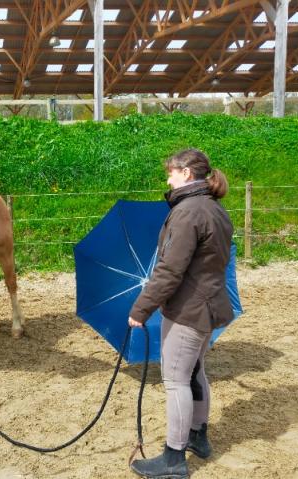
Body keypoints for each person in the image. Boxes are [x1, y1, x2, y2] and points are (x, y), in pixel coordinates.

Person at [128, 149, 234, 479]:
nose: (168, 178)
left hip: (189, 310)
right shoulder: (215, 209)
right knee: (193, 372)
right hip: (211, 305)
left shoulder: (188, 212)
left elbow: (170, 271)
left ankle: (173, 458)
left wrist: (141, 309)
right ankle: (198, 436)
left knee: (175, 379)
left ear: (187, 173)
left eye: (171, 173)